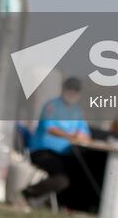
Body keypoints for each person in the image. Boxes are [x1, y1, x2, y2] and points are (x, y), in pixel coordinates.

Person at [21, 76, 90, 206]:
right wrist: (71, 136)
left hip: (65, 154)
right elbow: (49, 128)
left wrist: (82, 136)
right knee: (62, 179)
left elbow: (85, 133)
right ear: (63, 89)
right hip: (42, 152)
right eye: (70, 89)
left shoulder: (78, 112)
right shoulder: (51, 106)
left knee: (81, 172)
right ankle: (27, 194)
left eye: (76, 90)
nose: (73, 92)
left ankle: (68, 204)